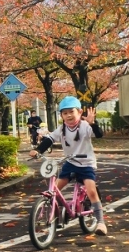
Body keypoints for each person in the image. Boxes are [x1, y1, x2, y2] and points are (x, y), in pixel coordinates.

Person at [29, 96, 107, 236]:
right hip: (70, 163)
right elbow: (49, 139)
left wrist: (93, 123)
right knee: (53, 190)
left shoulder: (85, 126)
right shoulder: (62, 129)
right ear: (61, 116)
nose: (69, 115)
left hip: (86, 164)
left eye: (71, 111)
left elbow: (99, 135)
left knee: (91, 191)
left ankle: (100, 222)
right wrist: (38, 150)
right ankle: (58, 214)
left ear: (79, 112)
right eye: (65, 113)